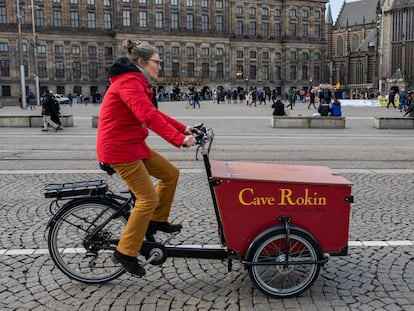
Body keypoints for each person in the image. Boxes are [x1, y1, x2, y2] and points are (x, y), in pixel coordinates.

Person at [96, 39, 197, 277]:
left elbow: (154, 113)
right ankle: (125, 252)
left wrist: (184, 129)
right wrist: (178, 139)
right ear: (142, 62)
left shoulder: (137, 81)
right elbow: (147, 116)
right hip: (120, 149)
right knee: (147, 199)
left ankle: (156, 220)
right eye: (157, 62)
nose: (160, 66)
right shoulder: (129, 83)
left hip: (133, 145)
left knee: (170, 174)